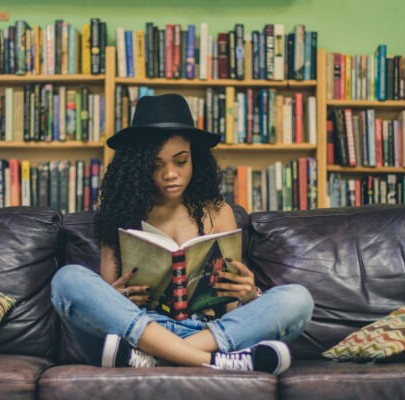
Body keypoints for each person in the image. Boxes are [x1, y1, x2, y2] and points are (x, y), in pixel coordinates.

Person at [51, 94, 314, 374]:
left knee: (298, 299)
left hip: (207, 331)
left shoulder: (219, 212)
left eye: (180, 161)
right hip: (138, 330)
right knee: (67, 281)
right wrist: (115, 296)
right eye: (156, 164)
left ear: (195, 160)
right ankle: (214, 362)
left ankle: (160, 357)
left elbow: (231, 309)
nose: (170, 174)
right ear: (139, 167)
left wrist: (250, 295)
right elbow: (107, 306)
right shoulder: (118, 214)